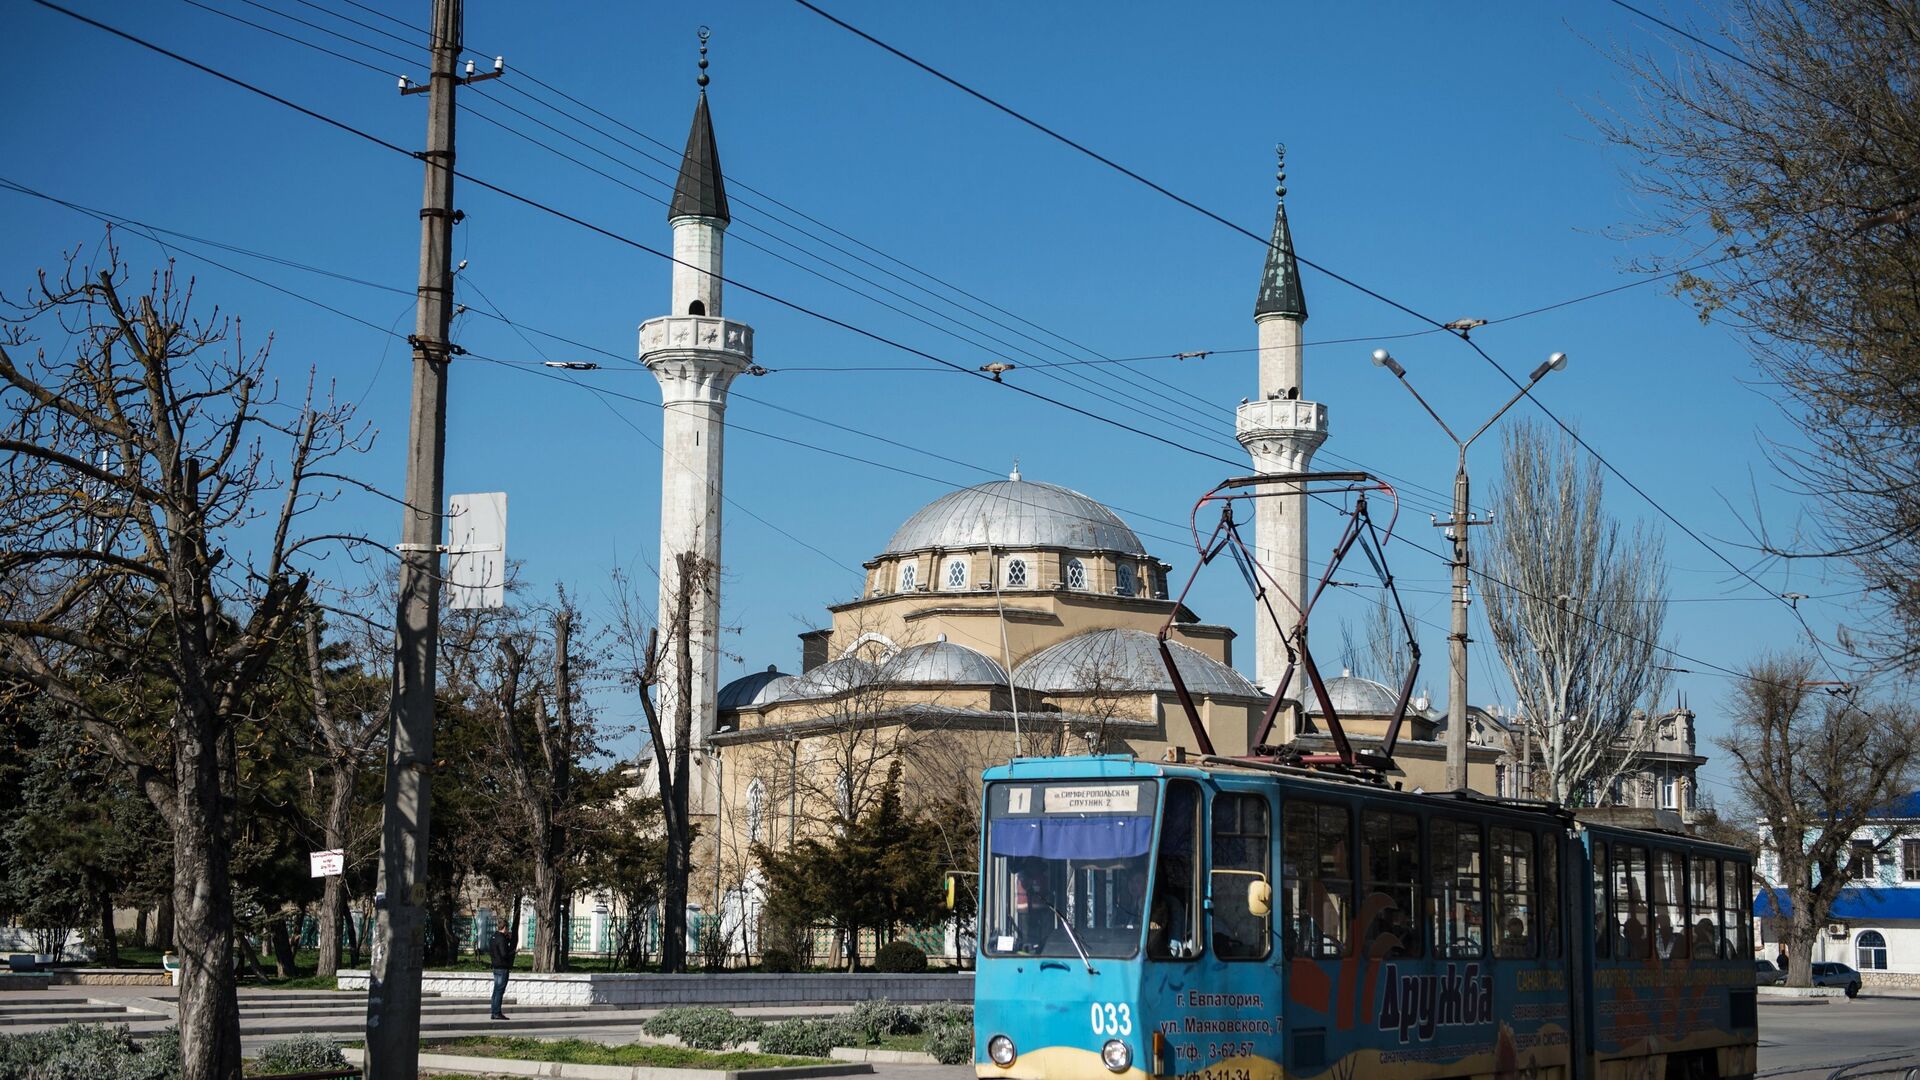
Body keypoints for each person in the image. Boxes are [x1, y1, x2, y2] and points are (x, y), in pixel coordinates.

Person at [488, 926, 514, 1020]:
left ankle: (493, 1012)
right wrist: (513, 952)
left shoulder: (493, 937)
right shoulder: (501, 938)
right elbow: (504, 953)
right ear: (505, 928)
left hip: (495, 966)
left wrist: (508, 939)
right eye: (507, 929)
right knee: (499, 991)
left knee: (496, 991)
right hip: (502, 967)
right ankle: (497, 1012)